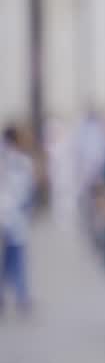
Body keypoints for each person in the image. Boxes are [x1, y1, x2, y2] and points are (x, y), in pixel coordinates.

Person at [0, 124, 36, 315]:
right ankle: (21, 296)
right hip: (11, 216)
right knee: (16, 259)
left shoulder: (20, 161)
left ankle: (19, 295)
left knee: (11, 258)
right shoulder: (16, 161)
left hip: (14, 216)